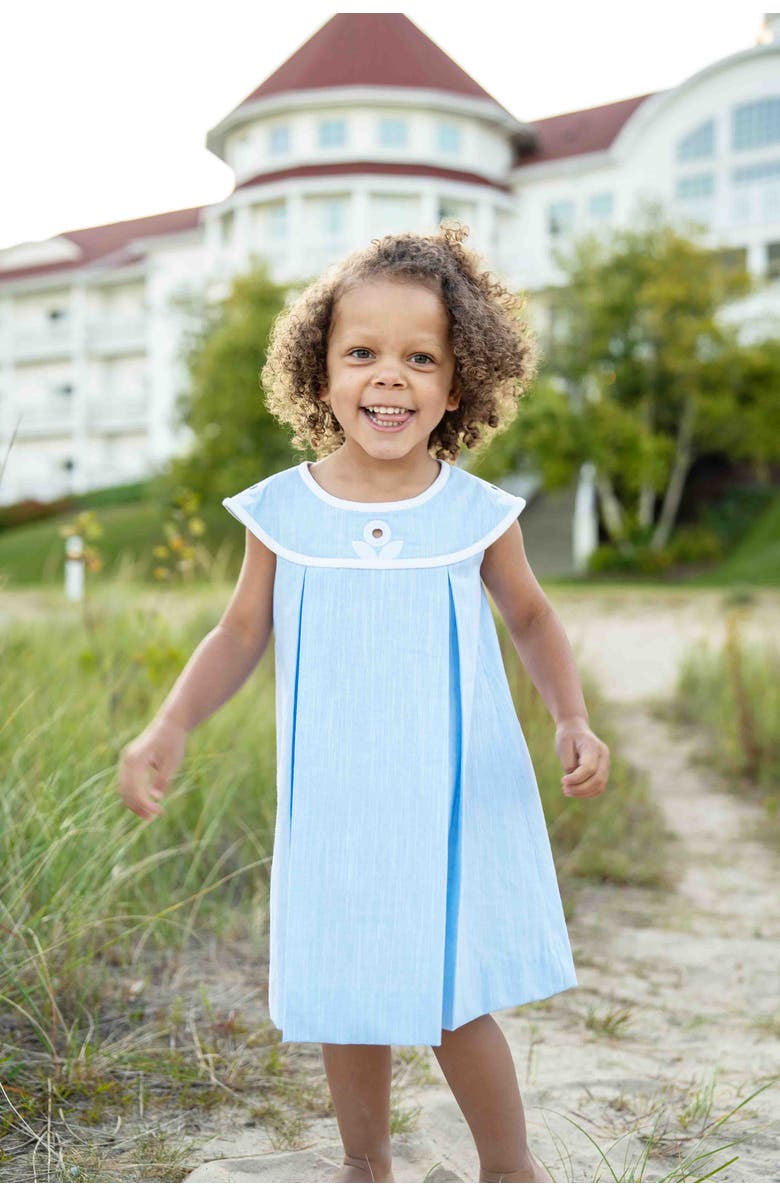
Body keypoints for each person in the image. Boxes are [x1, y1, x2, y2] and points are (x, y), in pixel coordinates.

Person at [118, 223, 610, 1183]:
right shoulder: (284, 511)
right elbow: (238, 634)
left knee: (452, 996)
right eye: (363, 354)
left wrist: (573, 717)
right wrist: (171, 721)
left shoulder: (475, 513)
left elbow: (533, 617)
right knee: (349, 987)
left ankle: (511, 1170)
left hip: (451, 804)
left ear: (459, 385)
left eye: (420, 358)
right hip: (338, 805)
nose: (391, 378)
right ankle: (364, 1165)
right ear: (320, 373)